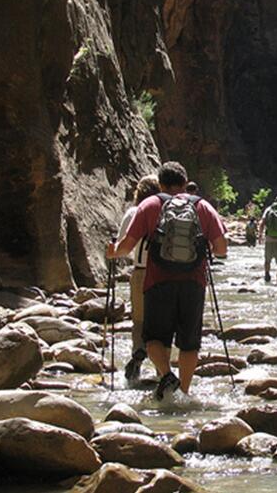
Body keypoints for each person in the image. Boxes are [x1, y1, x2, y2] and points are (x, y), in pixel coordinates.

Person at [107, 161, 227, 400]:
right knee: (189, 343)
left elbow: (127, 246)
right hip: (194, 283)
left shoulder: (150, 205)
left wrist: (112, 251)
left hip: (158, 282)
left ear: (160, 184)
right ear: (185, 183)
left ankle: (165, 374)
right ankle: (184, 392)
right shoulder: (203, 207)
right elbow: (222, 248)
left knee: (153, 338)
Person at [116, 174, 161, 385]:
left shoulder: (134, 212)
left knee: (139, 321)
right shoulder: (167, 211)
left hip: (141, 271)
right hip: (165, 274)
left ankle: (138, 355)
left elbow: (121, 248)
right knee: (163, 322)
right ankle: (163, 371)